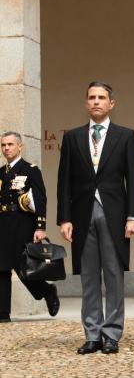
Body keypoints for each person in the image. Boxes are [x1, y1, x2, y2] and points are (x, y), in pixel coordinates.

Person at [57, 82, 134, 354]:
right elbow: (64, 182)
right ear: (86, 103)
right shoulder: (72, 137)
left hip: (115, 215)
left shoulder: (126, 136)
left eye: (101, 97)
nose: (96, 102)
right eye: (92, 97)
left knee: (114, 275)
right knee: (89, 277)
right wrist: (64, 219)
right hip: (81, 216)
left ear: (111, 104)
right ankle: (92, 334)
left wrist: (133, 215)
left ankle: (112, 334)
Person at [0, 131, 59, 324]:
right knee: (1, 269)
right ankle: (3, 315)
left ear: (20, 147)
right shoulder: (1, 172)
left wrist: (40, 227)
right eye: (3, 145)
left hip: (22, 223)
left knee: (23, 267)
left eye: (10, 144)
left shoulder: (30, 170)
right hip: (2, 225)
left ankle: (47, 290)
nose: (6, 148)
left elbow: (40, 200)